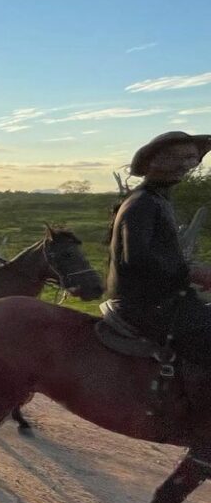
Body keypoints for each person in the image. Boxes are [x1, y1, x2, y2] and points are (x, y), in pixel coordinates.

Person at [108, 130, 211, 366]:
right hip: (147, 306)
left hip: (163, 300)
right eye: (176, 158)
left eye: (190, 159)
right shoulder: (142, 203)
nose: (184, 166)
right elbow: (136, 259)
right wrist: (192, 273)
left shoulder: (156, 199)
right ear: (152, 162)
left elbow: (162, 256)